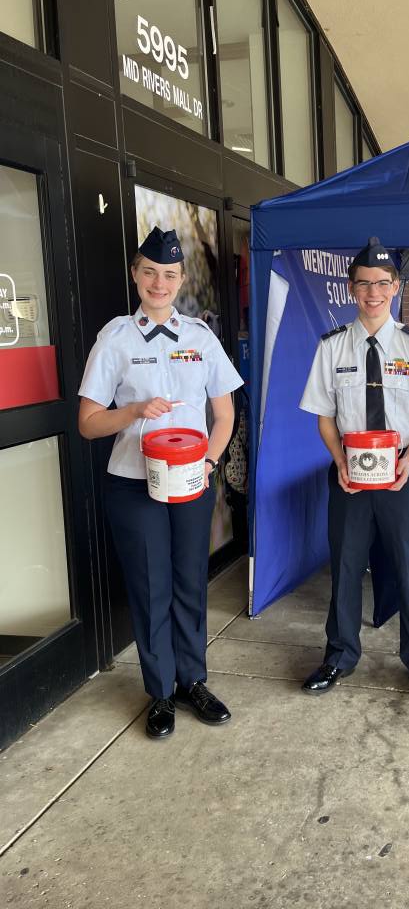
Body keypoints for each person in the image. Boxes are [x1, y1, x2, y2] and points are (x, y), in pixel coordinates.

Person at [78, 226, 244, 739]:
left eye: (169, 274)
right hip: (134, 484)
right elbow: (87, 422)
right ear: (135, 274)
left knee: (191, 583)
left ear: (180, 279)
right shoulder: (116, 339)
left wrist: (209, 464)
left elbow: (225, 412)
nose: (159, 282)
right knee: (151, 589)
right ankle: (160, 693)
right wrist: (129, 411)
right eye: (149, 272)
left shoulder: (201, 336)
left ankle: (194, 680)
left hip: (190, 483)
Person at [299, 236, 409, 704]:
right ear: (351, 289)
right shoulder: (332, 348)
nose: (372, 293)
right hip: (349, 471)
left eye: (382, 284)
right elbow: (324, 416)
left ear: (395, 287)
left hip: (401, 470)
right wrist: (339, 459)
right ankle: (339, 654)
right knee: (345, 564)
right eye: (363, 284)